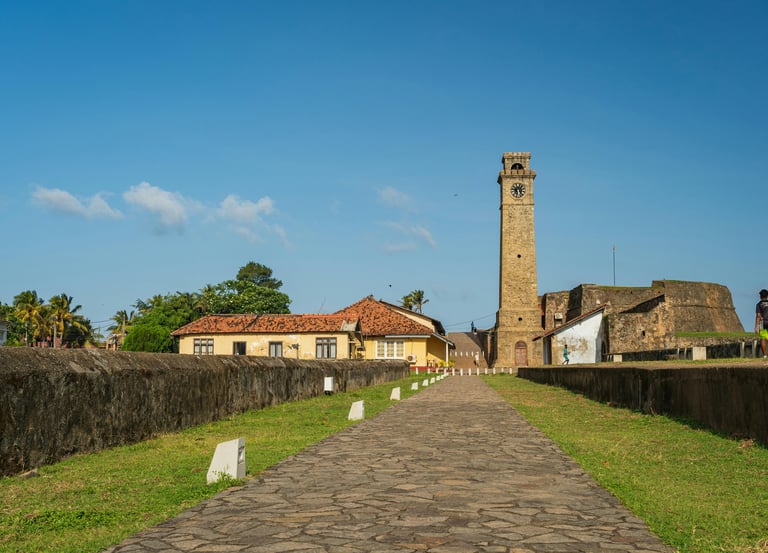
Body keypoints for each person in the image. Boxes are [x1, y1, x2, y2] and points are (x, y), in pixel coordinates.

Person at [755, 289, 768, 358]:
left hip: (763, 323)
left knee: (763, 338)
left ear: (760, 296)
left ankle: (765, 355)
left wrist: (756, 326)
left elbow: (758, 316)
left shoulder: (759, 304)